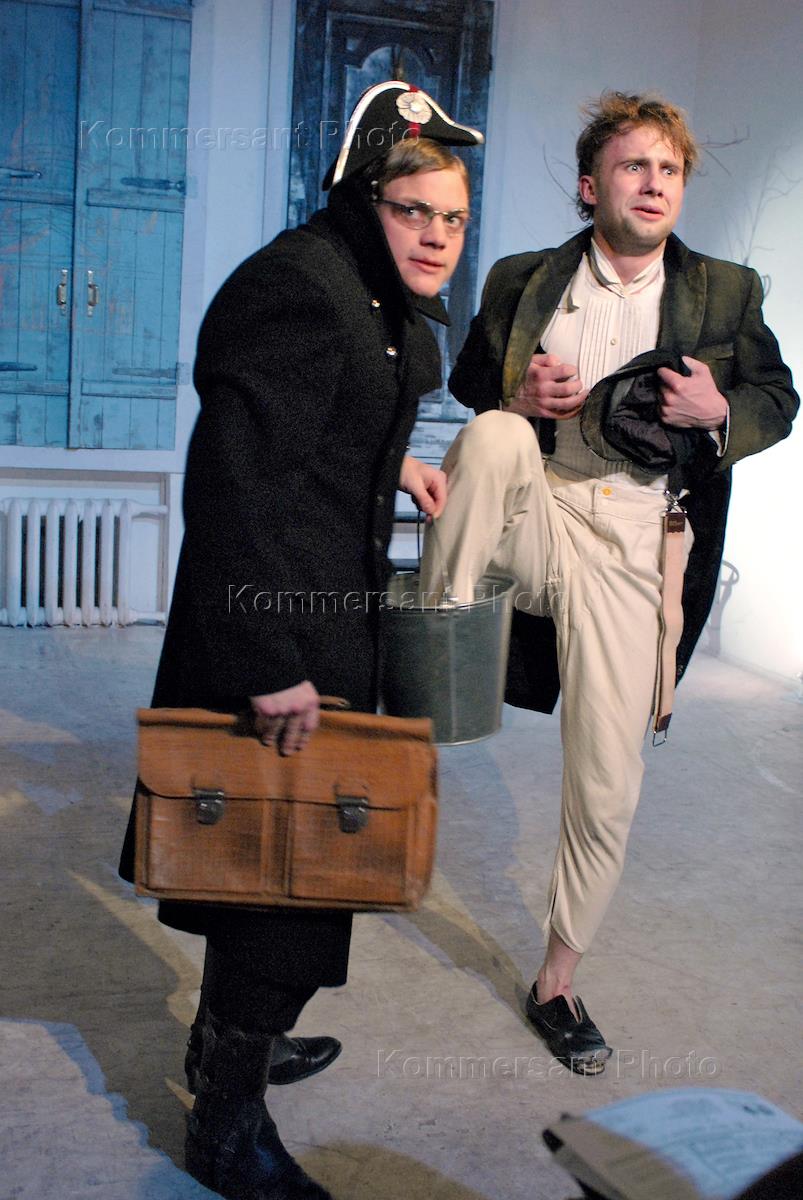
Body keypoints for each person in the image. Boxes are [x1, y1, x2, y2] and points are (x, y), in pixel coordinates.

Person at [119, 80, 482, 1200]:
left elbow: (318, 429)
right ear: (362, 199)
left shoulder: (365, 294)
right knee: (279, 890)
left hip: (324, 618)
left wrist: (391, 466)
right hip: (276, 633)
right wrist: (268, 666)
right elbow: (229, 489)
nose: (437, 236)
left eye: (453, 217)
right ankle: (226, 1125)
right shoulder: (299, 290)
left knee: (284, 871)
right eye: (413, 210)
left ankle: (231, 1041)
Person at [420, 91, 798, 1074]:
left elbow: (777, 396)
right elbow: (468, 381)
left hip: (637, 537)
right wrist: (514, 394)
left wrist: (720, 410)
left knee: (606, 782)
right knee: (493, 436)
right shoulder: (523, 278)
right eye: (633, 165)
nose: (653, 183)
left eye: (668, 170)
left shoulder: (723, 290)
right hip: (539, 511)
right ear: (591, 186)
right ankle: (431, 662)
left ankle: (555, 981)